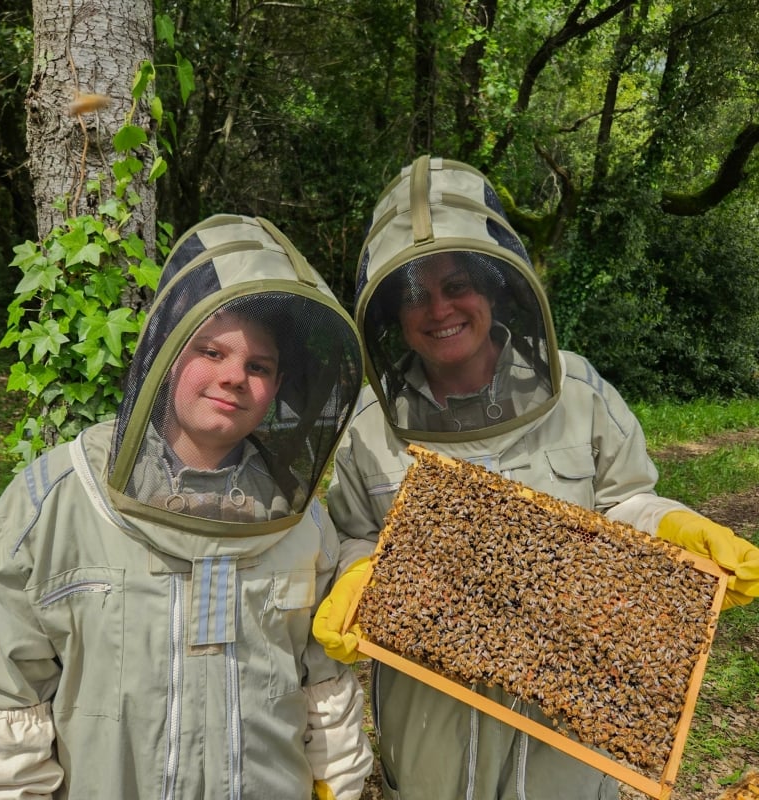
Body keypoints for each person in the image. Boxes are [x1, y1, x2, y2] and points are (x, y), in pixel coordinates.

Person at [313, 156, 759, 800]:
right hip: (430, 733)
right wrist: (358, 572)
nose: (438, 308)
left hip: (567, 731)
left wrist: (672, 526)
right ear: (390, 309)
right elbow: (353, 533)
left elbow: (624, 503)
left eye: (458, 283)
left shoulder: (578, 391)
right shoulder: (368, 423)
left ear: (496, 287)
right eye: (413, 293)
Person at [0, 214, 373, 799]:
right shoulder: (56, 501)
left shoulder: (300, 518)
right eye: (211, 351)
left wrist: (340, 782)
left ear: (276, 388)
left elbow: (323, 691)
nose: (234, 377)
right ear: (166, 352)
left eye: (259, 367)